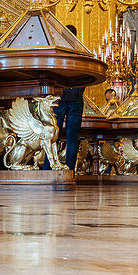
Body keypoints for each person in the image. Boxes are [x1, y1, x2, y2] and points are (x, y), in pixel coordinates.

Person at [53, 24, 85, 172]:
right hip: (75, 99)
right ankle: (70, 171)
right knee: (72, 138)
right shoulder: (82, 51)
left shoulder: (58, 50)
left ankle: (48, 170)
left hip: (60, 98)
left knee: (53, 136)